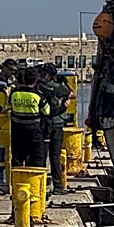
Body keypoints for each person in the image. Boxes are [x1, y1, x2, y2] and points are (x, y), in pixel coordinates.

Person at [39, 63, 72, 192]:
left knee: (42, 155)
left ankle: (40, 186)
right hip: (57, 123)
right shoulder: (60, 88)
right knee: (55, 156)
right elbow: (71, 94)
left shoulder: (39, 87)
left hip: (43, 124)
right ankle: (58, 185)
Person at [8, 68, 50, 169]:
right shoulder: (37, 96)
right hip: (34, 130)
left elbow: (8, 107)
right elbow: (47, 111)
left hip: (17, 130)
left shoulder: (14, 94)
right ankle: (34, 182)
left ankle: (17, 180)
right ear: (35, 81)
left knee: (17, 157)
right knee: (37, 158)